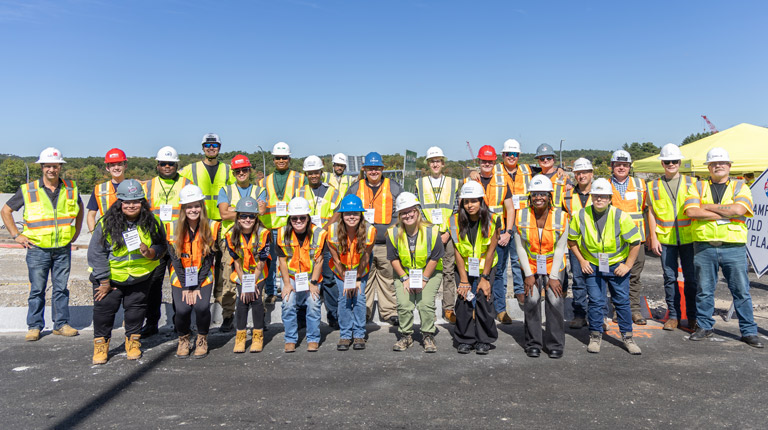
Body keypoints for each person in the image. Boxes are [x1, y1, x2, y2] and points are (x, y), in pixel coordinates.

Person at [1, 147, 84, 341]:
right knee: (37, 289)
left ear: (60, 167)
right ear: (42, 167)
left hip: (62, 248)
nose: (51, 170)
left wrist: (76, 232)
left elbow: (80, 211)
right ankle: (34, 326)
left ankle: (61, 324)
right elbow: (5, 211)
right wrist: (16, 235)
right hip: (37, 248)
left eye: (55, 166)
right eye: (47, 166)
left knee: (61, 288)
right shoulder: (28, 189)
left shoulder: (71, 188)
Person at [683, 148, 763, 348]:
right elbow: (692, 211)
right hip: (704, 246)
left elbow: (739, 210)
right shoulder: (698, 186)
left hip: (733, 247)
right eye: (714, 163)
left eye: (722, 163)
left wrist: (707, 207)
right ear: (708, 167)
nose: (718, 166)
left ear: (729, 166)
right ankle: (704, 326)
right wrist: (726, 213)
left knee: (741, 290)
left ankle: (748, 331)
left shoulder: (740, 186)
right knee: (704, 290)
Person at [87, 180, 167, 364]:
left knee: (136, 312)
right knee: (104, 312)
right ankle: (101, 345)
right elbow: (96, 253)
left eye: (136, 201)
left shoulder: (152, 222)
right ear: (119, 202)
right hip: (111, 280)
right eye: (127, 201)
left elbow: (161, 245)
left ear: (142, 202)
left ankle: (133, 342)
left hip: (140, 277)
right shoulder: (106, 223)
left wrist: (150, 252)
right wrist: (104, 282)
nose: (131, 205)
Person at [567, 178, 642, 355]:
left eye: (603, 196)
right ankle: (595, 336)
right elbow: (572, 241)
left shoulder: (620, 216)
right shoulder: (580, 215)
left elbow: (635, 242)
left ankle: (628, 337)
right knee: (595, 301)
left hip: (616, 265)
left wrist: (627, 265)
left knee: (622, 301)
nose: (599, 199)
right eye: (596, 196)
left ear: (609, 198)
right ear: (592, 197)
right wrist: (582, 261)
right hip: (593, 265)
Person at [514, 175, 569, 359]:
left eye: (543, 194)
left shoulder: (561, 217)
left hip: (554, 265)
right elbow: (520, 246)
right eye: (535, 194)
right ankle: (533, 343)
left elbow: (561, 247)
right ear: (530, 196)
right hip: (530, 265)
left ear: (549, 196)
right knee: (531, 300)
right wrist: (529, 274)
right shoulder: (521, 215)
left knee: (554, 301)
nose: (539, 197)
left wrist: (553, 277)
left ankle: (555, 344)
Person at [344, 151, 402, 325]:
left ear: (382, 169)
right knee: (364, 278)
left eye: (377, 168)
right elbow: (346, 211)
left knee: (387, 278)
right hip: (363, 244)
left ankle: (389, 312)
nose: (374, 171)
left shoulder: (394, 187)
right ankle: (365, 311)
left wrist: (391, 233)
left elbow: (400, 212)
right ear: (365, 169)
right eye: (370, 168)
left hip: (386, 243)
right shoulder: (355, 188)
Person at [140, 146, 192, 337]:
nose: (167, 166)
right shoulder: (148, 186)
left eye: (171, 163)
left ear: (177, 164)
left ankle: (181, 322)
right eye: (163, 163)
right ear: (158, 165)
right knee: (153, 284)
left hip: (180, 241)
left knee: (181, 283)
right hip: (157, 242)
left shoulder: (187, 184)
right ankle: (151, 322)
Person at [646, 144, 698, 330]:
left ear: (680, 162)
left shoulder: (693, 183)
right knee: (669, 278)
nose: (671, 164)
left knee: (691, 279)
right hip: (666, 240)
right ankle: (674, 316)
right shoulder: (652, 186)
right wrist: (653, 236)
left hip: (689, 238)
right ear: (662, 163)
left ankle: (692, 316)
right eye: (667, 161)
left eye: (674, 161)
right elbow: (651, 213)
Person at [387, 193, 444, 353]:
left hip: (429, 272)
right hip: (404, 272)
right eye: (403, 212)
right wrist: (405, 278)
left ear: (417, 211)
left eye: (411, 211)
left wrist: (424, 279)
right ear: (399, 215)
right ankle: (406, 335)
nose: (408, 215)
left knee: (425, 304)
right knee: (405, 304)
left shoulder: (432, 231)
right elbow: (393, 258)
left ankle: (427, 334)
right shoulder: (392, 233)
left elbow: (435, 257)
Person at [216, 154, 266, 332]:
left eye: (244, 169)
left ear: (249, 170)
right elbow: (223, 214)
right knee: (230, 278)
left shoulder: (259, 190)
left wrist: (234, 209)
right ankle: (228, 315)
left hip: (255, 239)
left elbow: (261, 211)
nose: (241, 173)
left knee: (258, 275)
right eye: (238, 170)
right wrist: (249, 211)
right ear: (234, 172)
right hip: (231, 239)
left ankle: (260, 315)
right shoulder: (226, 190)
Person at [169, 185, 220, 358]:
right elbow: (175, 260)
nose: (193, 210)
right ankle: (183, 339)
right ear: (183, 208)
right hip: (180, 276)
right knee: (182, 309)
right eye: (189, 206)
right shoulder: (172, 228)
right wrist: (186, 286)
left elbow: (209, 259)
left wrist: (197, 285)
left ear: (202, 206)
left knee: (202, 306)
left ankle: (202, 338)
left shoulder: (212, 227)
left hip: (203, 275)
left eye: (197, 205)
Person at [449, 181, 500, 355]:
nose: (470, 205)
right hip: (463, 267)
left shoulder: (493, 219)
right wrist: (463, 279)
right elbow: (457, 250)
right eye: (466, 201)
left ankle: (484, 339)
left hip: (485, 267)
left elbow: (491, 250)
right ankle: (465, 339)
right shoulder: (454, 220)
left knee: (482, 298)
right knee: (464, 299)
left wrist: (485, 278)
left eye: (474, 201)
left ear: (481, 201)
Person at [468, 144, 516, 324]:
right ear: (479, 161)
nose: (487, 164)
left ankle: (500, 310)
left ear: (495, 162)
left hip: (498, 233)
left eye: (490, 161)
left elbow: (510, 209)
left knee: (499, 273)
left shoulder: (503, 181)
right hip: (476, 235)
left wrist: (508, 232)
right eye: (483, 161)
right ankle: (474, 308)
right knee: (475, 272)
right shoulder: (470, 181)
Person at [415, 146, 460, 324]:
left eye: (438, 161)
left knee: (449, 271)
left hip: (447, 234)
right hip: (428, 234)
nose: (435, 164)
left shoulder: (453, 183)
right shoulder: (419, 183)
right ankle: (429, 310)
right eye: (432, 161)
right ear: (428, 164)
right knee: (430, 272)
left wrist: (448, 232)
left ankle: (449, 308)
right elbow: (417, 209)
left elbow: (456, 210)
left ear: (443, 163)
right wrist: (432, 232)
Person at [296, 155, 342, 328]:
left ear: (321, 172)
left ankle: (334, 314)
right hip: (306, 242)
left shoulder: (333, 191)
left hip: (327, 241)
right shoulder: (299, 192)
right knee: (304, 277)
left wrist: (322, 230)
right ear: (306, 174)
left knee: (329, 278)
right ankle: (301, 315)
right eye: (310, 173)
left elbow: (337, 213)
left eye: (316, 172)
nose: (313, 175)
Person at [277, 197, 327, 352]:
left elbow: (319, 261)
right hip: (290, 278)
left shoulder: (319, 234)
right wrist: (286, 284)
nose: (298, 221)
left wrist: (313, 283)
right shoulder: (281, 233)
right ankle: (290, 339)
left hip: (311, 277)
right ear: (290, 219)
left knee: (313, 303)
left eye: (302, 217)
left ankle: (313, 338)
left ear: (308, 218)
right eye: (294, 218)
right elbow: (282, 261)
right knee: (287, 302)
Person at [327, 195, 376, 351]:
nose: (352, 216)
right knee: (344, 297)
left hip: (360, 268)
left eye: (355, 213)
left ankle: (359, 334)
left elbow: (366, 257)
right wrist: (347, 281)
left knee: (359, 297)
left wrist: (357, 278)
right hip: (341, 269)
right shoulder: (332, 231)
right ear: (342, 214)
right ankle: (345, 335)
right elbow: (335, 259)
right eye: (348, 213)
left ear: (361, 214)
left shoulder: (370, 230)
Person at [259, 141, 306, 304]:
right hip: (271, 227)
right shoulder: (264, 181)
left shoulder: (300, 178)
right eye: (278, 157)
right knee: (271, 261)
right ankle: (271, 292)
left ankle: (298, 288)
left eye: (284, 157)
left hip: (291, 227)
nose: (281, 160)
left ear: (289, 159)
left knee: (294, 259)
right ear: (273, 159)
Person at [609, 149, 649, 325]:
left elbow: (647, 212)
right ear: (612, 166)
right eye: (618, 164)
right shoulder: (605, 185)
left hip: (636, 240)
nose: (621, 168)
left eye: (624, 165)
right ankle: (619, 309)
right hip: (614, 240)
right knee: (617, 275)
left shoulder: (640, 184)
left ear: (629, 166)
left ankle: (634, 310)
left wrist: (650, 237)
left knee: (634, 275)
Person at [226, 197, 271, 353]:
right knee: (243, 300)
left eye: (251, 216)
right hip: (241, 273)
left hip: (259, 272)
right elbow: (236, 260)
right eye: (243, 216)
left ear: (256, 217)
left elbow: (262, 261)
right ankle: (240, 335)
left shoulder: (264, 234)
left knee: (257, 299)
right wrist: (245, 283)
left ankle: (258, 335)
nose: (247, 219)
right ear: (238, 217)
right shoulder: (230, 235)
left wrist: (253, 283)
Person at [563, 158, 594, 329]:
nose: (581, 176)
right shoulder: (567, 195)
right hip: (576, 246)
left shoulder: (599, 193)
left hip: (596, 245)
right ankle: (579, 314)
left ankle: (599, 315)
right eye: (578, 173)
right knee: (578, 280)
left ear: (591, 174)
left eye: (584, 172)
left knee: (598, 281)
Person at [86, 148, 126, 233]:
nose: (116, 168)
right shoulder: (99, 189)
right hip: (107, 235)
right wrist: (94, 235)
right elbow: (91, 215)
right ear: (107, 168)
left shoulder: (133, 186)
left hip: (129, 235)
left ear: (125, 166)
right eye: (112, 165)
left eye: (119, 164)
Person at [533, 144, 571, 209]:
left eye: (548, 158)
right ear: (538, 161)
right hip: (540, 216)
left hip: (558, 216)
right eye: (542, 159)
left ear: (553, 160)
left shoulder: (563, 177)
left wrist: (570, 187)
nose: (545, 160)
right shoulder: (535, 178)